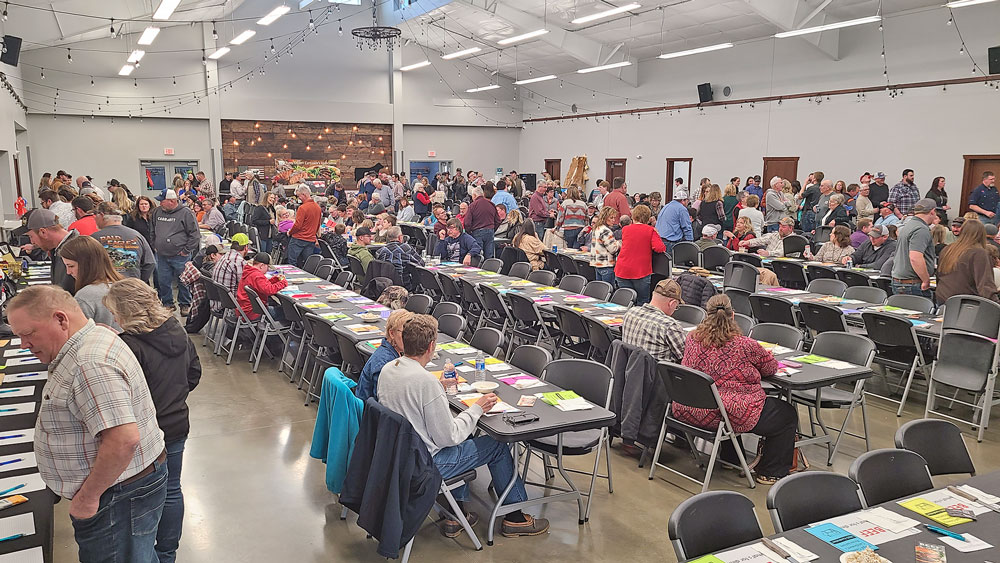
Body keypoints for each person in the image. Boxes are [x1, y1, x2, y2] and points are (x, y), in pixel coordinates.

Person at [7, 285, 166, 562]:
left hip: (116, 495)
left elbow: (123, 439)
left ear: (60, 319)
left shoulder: (89, 363)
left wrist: (88, 498)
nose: (24, 344)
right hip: (122, 489)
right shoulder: (93, 337)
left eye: (28, 334)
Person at [376, 314, 549, 538]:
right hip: (427, 466)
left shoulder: (390, 368)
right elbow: (449, 438)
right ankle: (515, 516)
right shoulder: (425, 382)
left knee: (466, 431)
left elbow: (412, 399)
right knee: (496, 444)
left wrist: (440, 389)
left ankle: (455, 514)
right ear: (431, 346)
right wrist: (477, 408)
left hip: (397, 458)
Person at [101, 278, 200, 563]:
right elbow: (194, 373)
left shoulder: (128, 346)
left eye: (115, 312)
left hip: (145, 432)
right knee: (172, 491)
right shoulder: (177, 330)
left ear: (125, 312)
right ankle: (167, 554)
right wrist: (174, 396)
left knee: (138, 502)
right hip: (177, 423)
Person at [674, 294, 794, 485]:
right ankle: (771, 472)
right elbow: (770, 368)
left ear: (706, 315)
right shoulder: (746, 345)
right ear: (733, 315)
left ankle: (731, 459)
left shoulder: (693, 338)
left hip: (690, 408)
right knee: (785, 414)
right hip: (724, 414)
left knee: (726, 401)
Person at [59, 235, 125, 331]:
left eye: (71, 266)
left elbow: (76, 334)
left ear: (86, 264)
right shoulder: (124, 285)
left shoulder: (85, 296)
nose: (68, 272)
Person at [150, 189, 200, 315]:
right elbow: (152, 229)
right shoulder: (157, 212)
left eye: (162, 201)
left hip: (180, 255)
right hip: (161, 255)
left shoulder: (186, 213)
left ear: (172, 201)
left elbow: (194, 234)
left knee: (183, 281)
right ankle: (168, 304)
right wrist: (154, 244)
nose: (160, 203)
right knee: (163, 280)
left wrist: (186, 250)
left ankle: (185, 304)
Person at [355, 309, 414, 403]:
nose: (409, 338)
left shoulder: (391, 351)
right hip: (369, 413)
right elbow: (383, 403)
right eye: (404, 333)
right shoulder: (385, 362)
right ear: (392, 333)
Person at [934, 219, 999, 304]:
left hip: (943, 298)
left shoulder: (948, 249)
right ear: (982, 234)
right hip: (966, 303)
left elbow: (939, 275)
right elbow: (985, 285)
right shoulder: (979, 253)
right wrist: (996, 304)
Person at [622, 279, 686, 362]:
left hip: (629, 370)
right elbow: (687, 357)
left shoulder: (630, 313)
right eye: (676, 306)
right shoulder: (669, 326)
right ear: (672, 303)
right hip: (657, 374)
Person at [615, 205, 666, 305]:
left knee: (626, 300)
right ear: (648, 217)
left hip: (622, 269)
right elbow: (660, 248)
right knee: (642, 301)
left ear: (633, 216)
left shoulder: (625, 229)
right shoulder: (650, 230)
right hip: (640, 271)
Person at [891, 198, 939, 297]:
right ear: (932, 212)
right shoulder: (921, 229)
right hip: (912, 283)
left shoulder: (907, 226)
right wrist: (926, 280)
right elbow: (915, 258)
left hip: (901, 281)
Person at [25, 208, 79, 293]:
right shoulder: (61, 249)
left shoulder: (75, 252)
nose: (32, 242)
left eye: (31, 236)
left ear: (43, 232)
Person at [236, 253, 288, 321]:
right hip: (253, 313)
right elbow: (269, 290)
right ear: (262, 265)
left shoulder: (249, 271)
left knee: (278, 306)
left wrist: (274, 280)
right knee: (287, 312)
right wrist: (283, 283)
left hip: (244, 310)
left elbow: (261, 285)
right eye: (268, 267)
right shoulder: (257, 276)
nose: (268, 270)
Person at [211, 232, 252, 308]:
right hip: (231, 306)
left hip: (217, 303)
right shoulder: (239, 262)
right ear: (246, 247)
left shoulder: (224, 257)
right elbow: (247, 286)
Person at [287, 185, 322, 267]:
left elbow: (298, 225)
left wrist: (290, 232)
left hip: (298, 239)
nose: (299, 198)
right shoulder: (318, 208)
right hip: (310, 239)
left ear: (304, 195)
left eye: (299, 196)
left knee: (292, 262)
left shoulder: (302, 208)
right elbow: (318, 224)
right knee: (308, 264)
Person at [464, 186, 500, 259]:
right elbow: (498, 220)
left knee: (478, 256)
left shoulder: (473, 205)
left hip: (477, 232)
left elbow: (467, 223)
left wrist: (469, 233)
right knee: (489, 257)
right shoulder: (491, 204)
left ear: (474, 195)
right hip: (490, 231)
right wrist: (492, 229)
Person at [656, 189, 694, 253]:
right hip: (671, 242)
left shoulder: (666, 206)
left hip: (660, 240)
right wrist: (690, 244)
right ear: (683, 200)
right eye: (687, 201)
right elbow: (687, 227)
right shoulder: (682, 209)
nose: (688, 203)